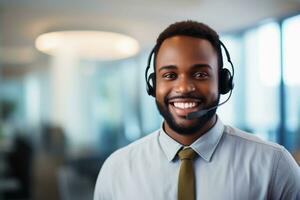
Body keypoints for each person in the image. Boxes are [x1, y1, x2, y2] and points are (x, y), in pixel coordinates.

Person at [94, 20, 300, 200]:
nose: (183, 88)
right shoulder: (117, 169)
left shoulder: (274, 165)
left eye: (200, 74)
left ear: (223, 82)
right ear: (152, 85)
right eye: (169, 75)